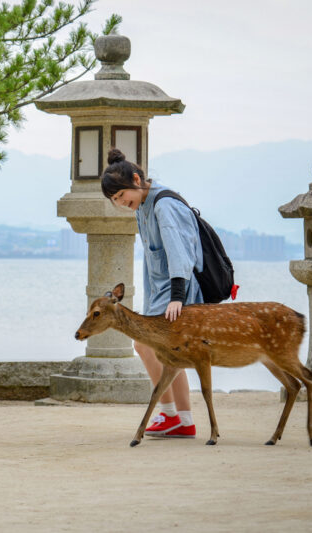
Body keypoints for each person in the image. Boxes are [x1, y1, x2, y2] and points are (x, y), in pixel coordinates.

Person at [101, 148, 201, 438]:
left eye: (122, 196)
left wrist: (178, 298)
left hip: (176, 291)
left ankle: (171, 415)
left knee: (146, 346)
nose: (122, 204)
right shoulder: (144, 205)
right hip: (161, 291)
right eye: (116, 201)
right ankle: (182, 420)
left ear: (136, 179)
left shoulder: (162, 205)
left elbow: (179, 254)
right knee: (167, 354)